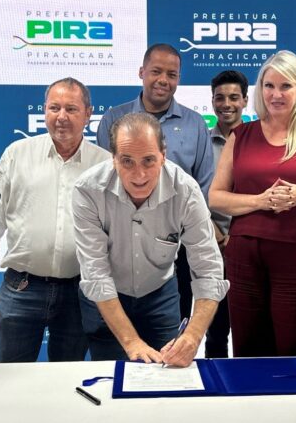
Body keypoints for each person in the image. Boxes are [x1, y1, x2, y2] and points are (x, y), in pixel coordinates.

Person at [209, 50, 296, 357]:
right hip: (244, 258)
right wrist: (259, 201)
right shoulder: (241, 135)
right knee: (248, 347)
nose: (276, 94)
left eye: (285, 86)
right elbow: (216, 197)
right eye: (269, 86)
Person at [73, 113, 227, 368]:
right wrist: (132, 342)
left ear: (163, 155)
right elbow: (96, 274)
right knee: (111, 378)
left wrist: (193, 335)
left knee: (169, 377)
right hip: (108, 296)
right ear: (112, 159)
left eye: (148, 160)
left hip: (160, 294)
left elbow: (209, 270)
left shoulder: (186, 191)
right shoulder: (87, 190)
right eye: (127, 161)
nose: (139, 174)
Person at [0, 78, 110, 362]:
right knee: (7, 381)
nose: (61, 117)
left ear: (88, 113)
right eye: (54, 108)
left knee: (67, 382)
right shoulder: (17, 155)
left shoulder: (105, 165)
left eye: (71, 109)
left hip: (79, 292)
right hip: (22, 288)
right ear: (44, 110)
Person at [96, 44, 214, 325]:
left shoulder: (195, 123)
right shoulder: (114, 119)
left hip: (179, 247)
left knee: (174, 331)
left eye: (172, 74)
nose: (163, 80)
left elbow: (204, 184)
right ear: (141, 72)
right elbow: (102, 183)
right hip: (122, 245)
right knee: (116, 334)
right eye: (156, 72)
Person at [204, 69, 249, 358]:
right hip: (210, 246)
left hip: (249, 245)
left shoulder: (257, 141)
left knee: (249, 324)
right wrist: (215, 233)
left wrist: (240, 236)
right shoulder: (202, 144)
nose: (227, 104)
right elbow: (192, 193)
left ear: (245, 101)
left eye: (234, 97)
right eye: (220, 98)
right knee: (215, 328)